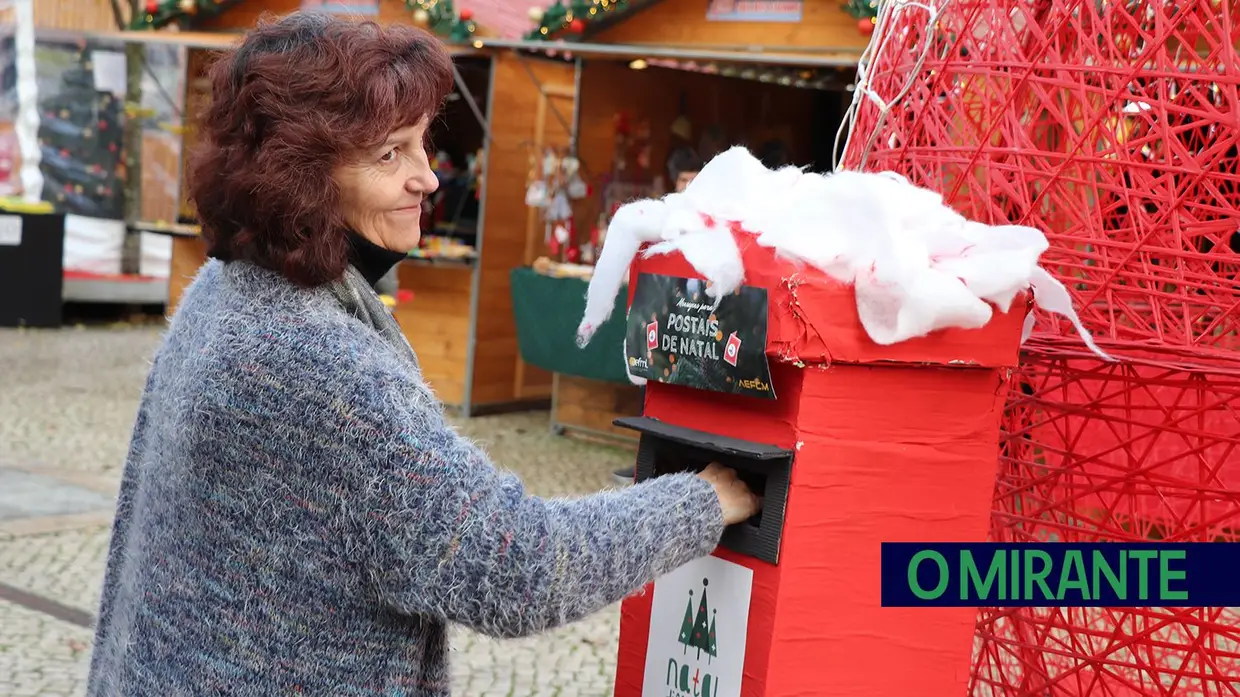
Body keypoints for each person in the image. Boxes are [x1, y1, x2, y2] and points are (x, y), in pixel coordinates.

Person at [85, 13, 761, 696]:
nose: (428, 178)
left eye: (420, 144)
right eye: (389, 154)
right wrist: (702, 498)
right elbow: (518, 565)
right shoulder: (315, 362)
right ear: (301, 178)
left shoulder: (226, 291)